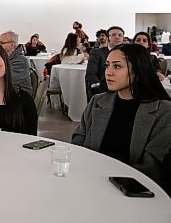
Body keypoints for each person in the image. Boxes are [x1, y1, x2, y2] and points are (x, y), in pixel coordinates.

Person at [72, 44, 171, 191]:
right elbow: (78, 142)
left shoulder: (163, 111)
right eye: (107, 66)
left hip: (132, 190)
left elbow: (151, 167)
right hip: (87, 184)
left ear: (137, 70)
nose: (108, 72)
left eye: (117, 67)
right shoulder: (97, 101)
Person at [85, 26, 124, 102]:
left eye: (120, 35)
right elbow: (91, 75)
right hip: (103, 93)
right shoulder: (97, 52)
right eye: (113, 35)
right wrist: (103, 91)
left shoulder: (126, 54)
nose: (117, 37)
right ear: (107, 37)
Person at [0, 31, 33, 95]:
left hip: (21, 98)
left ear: (12, 45)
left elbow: (6, 79)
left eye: (1, 43)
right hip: (9, 94)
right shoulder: (7, 58)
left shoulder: (20, 61)